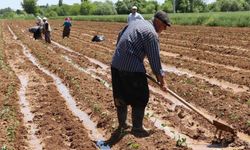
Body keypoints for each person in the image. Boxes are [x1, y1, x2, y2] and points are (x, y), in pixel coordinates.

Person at [111, 10, 171, 137]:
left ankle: (123, 125)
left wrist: (121, 55)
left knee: (120, 96)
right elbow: (155, 60)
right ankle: (137, 129)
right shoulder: (151, 33)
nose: (165, 28)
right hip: (131, 67)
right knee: (141, 97)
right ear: (158, 21)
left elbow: (120, 34)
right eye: (165, 25)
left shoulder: (136, 23)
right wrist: (162, 81)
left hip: (116, 64)